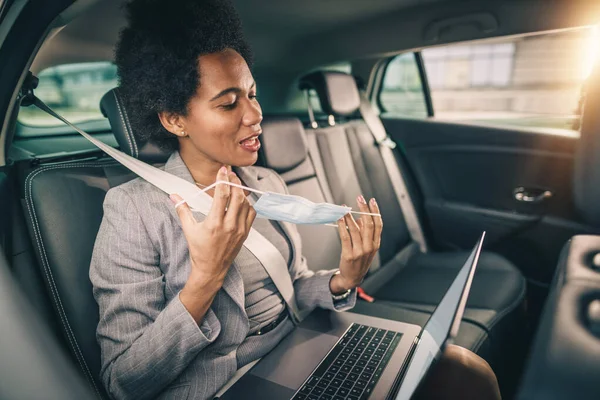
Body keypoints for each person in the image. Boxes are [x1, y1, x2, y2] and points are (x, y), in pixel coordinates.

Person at [89, 0, 501, 399]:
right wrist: (205, 279)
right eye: (229, 103)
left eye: (252, 94)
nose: (254, 115)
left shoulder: (265, 181)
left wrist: (343, 279)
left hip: (302, 348)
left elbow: (293, 286)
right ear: (174, 119)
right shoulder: (134, 210)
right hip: (226, 385)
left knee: (466, 373)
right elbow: (124, 382)